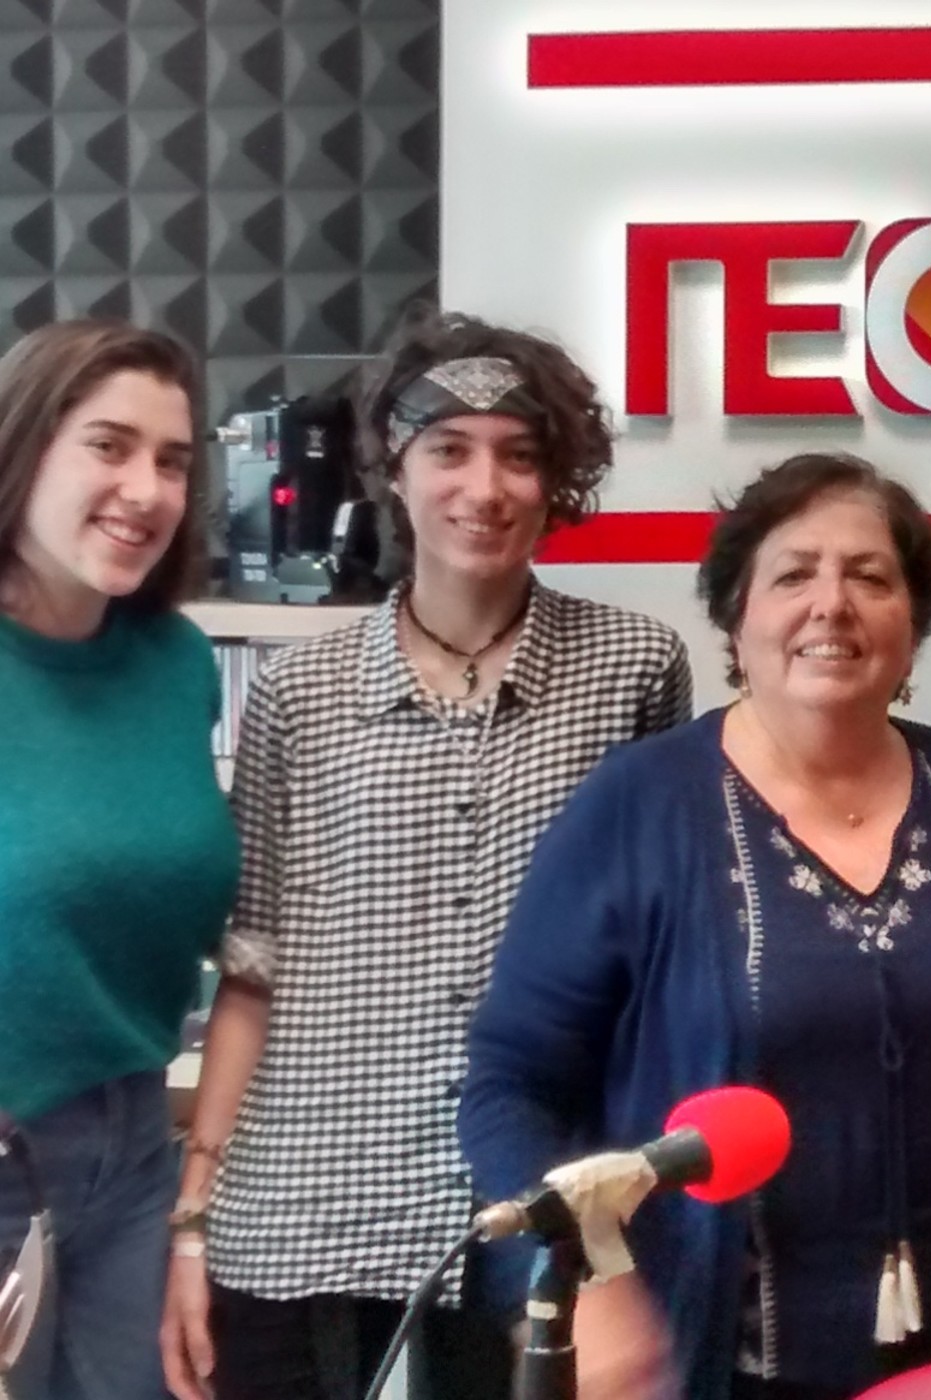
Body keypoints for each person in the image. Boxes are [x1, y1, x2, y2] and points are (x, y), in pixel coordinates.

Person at [159, 308, 693, 1400]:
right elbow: (253, 970)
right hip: (307, 1196)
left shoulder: (633, 667)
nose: (483, 486)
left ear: (556, 480)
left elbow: (651, 974)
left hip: (529, 1202)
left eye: (518, 455)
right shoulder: (299, 695)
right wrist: (193, 1217)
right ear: (393, 469)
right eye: (448, 449)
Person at [459, 452, 931, 1400]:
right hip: (718, 1364)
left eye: (870, 577)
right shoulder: (640, 802)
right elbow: (509, 1083)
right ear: (737, 615)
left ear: (914, 623)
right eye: (793, 575)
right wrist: (588, 1287)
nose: (832, 604)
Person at [0, 320, 239, 1400]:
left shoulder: (175, 663)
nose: (146, 490)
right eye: (108, 445)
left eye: (173, 461)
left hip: (135, 1147)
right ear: (24, 447)